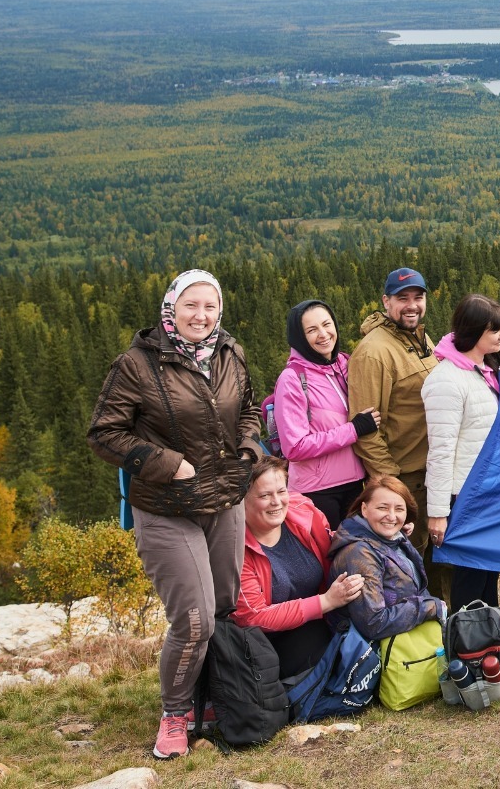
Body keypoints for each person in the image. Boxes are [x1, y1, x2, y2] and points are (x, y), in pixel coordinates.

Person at [86, 269, 261, 760]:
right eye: (190, 306)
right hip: (166, 508)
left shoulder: (230, 351)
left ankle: (212, 702)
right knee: (194, 617)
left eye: (209, 307)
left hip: (224, 500)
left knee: (224, 608)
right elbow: (104, 433)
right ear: (171, 308)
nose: (200, 316)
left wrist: (248, 451)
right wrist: (166, 464)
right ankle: (175, 713)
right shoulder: (137, 364)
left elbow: (249, 409)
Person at [423, 294, 500, 610]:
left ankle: (492, 643)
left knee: (488, 574)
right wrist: (438, 513)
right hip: (464, 495)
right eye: (494, 330)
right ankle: (468, 649)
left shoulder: (483, 370)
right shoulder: (446, 381)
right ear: (474, 332)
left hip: (488, 490)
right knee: (470, 578)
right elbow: (440, 450)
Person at [234, 458, 364, 677]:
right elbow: (253, 617)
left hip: (320, 620)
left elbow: (339, 542)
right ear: (242, 501)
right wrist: (326, 601)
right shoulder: (235, 547)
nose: (277, 502)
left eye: (281, 491)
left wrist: (384, 532)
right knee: (329, 662)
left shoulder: (303, 512)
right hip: (267, 640)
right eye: (265, 495)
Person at [347, 268, 438, 565]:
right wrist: (391, 485)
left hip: (430, 473)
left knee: (434, 553)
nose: (412, 305)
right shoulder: (374, 352)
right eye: (403, 298)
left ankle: (444, 612)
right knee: (407, 561)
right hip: (405, 479)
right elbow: (366, 429)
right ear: (386, 302)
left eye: (418, 297)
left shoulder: (421, 340)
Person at [273, 299, 375, 526]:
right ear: (299, 337)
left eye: (326, 324)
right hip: (316, 492)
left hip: (356, 483)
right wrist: (354, 429)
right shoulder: (292, 379)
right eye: (311, 330)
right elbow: (294, 447)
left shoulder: (344, 364)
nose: (323, 334)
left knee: (355, 558)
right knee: (325, 558)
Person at [327, 475, 447, 641]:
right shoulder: (359, 554)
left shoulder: (392, 537)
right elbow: (374, 624)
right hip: (375, 654)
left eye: (399, 509)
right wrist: (429, 607)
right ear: (364, 509)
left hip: (405, 637)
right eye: (383, 508)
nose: (391, 516)